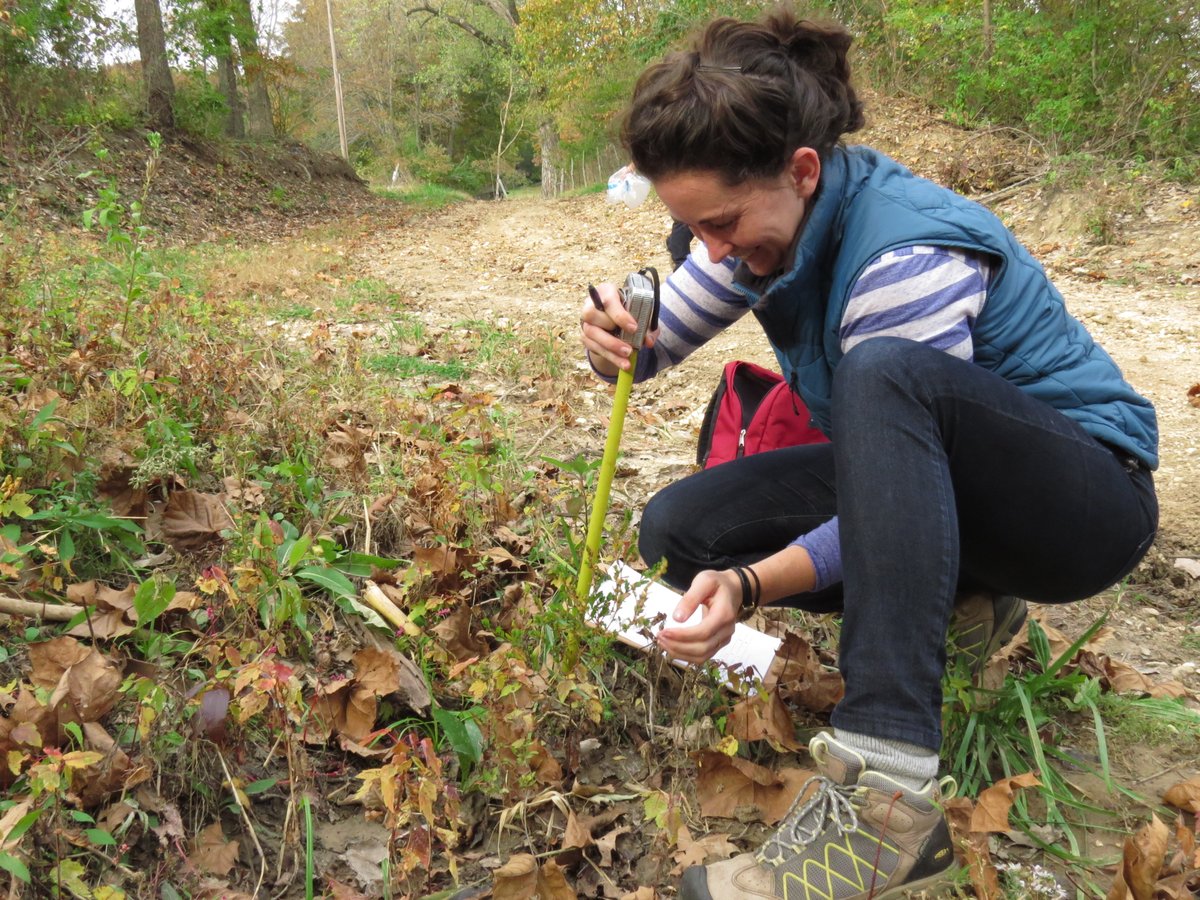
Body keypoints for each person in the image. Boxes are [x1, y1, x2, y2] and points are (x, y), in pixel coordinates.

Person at [579, 9, 1158, 900]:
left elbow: (894, 503)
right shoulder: (759, 231)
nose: (712, 251)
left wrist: (750, 586)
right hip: (941, 487)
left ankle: (887, 802)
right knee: (681, 529)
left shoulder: (902, 256)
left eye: (722, 223)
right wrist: (614, 339)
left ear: (802, 170)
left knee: (883, 375)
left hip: (1082, 504)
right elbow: (648, 350)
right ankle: (970, 603)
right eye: (692, 227)